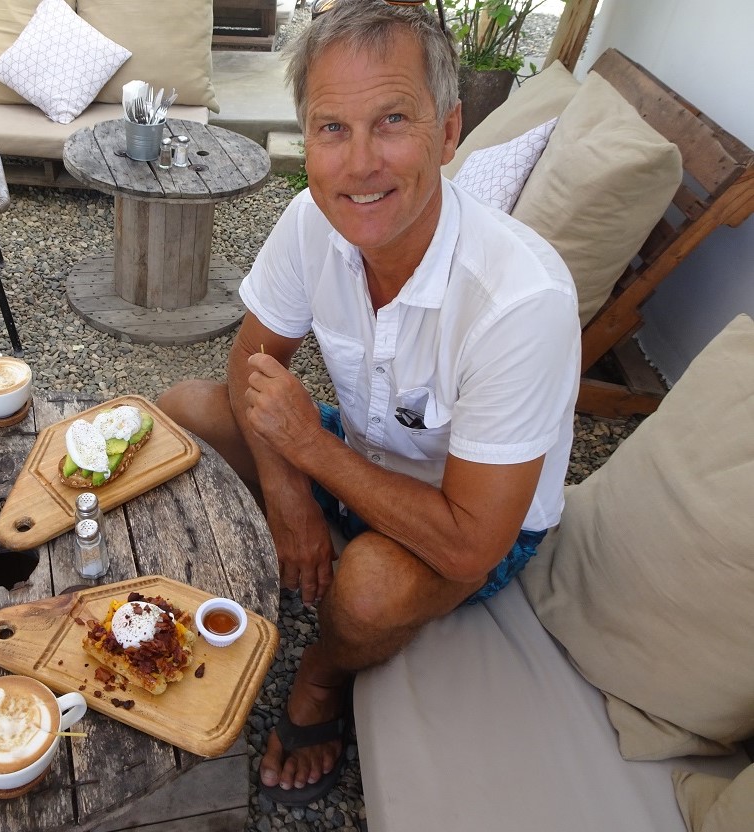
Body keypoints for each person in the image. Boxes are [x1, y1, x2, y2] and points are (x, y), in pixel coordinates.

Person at [157, 0, 581, 808]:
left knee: (368, 585)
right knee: (190, 408)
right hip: (362, 464)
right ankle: (231, 586)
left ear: (449, 131)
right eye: (331, 128)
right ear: (306, 138)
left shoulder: (519, 300)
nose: (358, 166)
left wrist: (310, 456)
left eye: (391, 121)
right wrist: (289, 500)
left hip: (468, 523)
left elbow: (468, 545)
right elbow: (251, 358)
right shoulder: (314, 222)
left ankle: (321, 678)